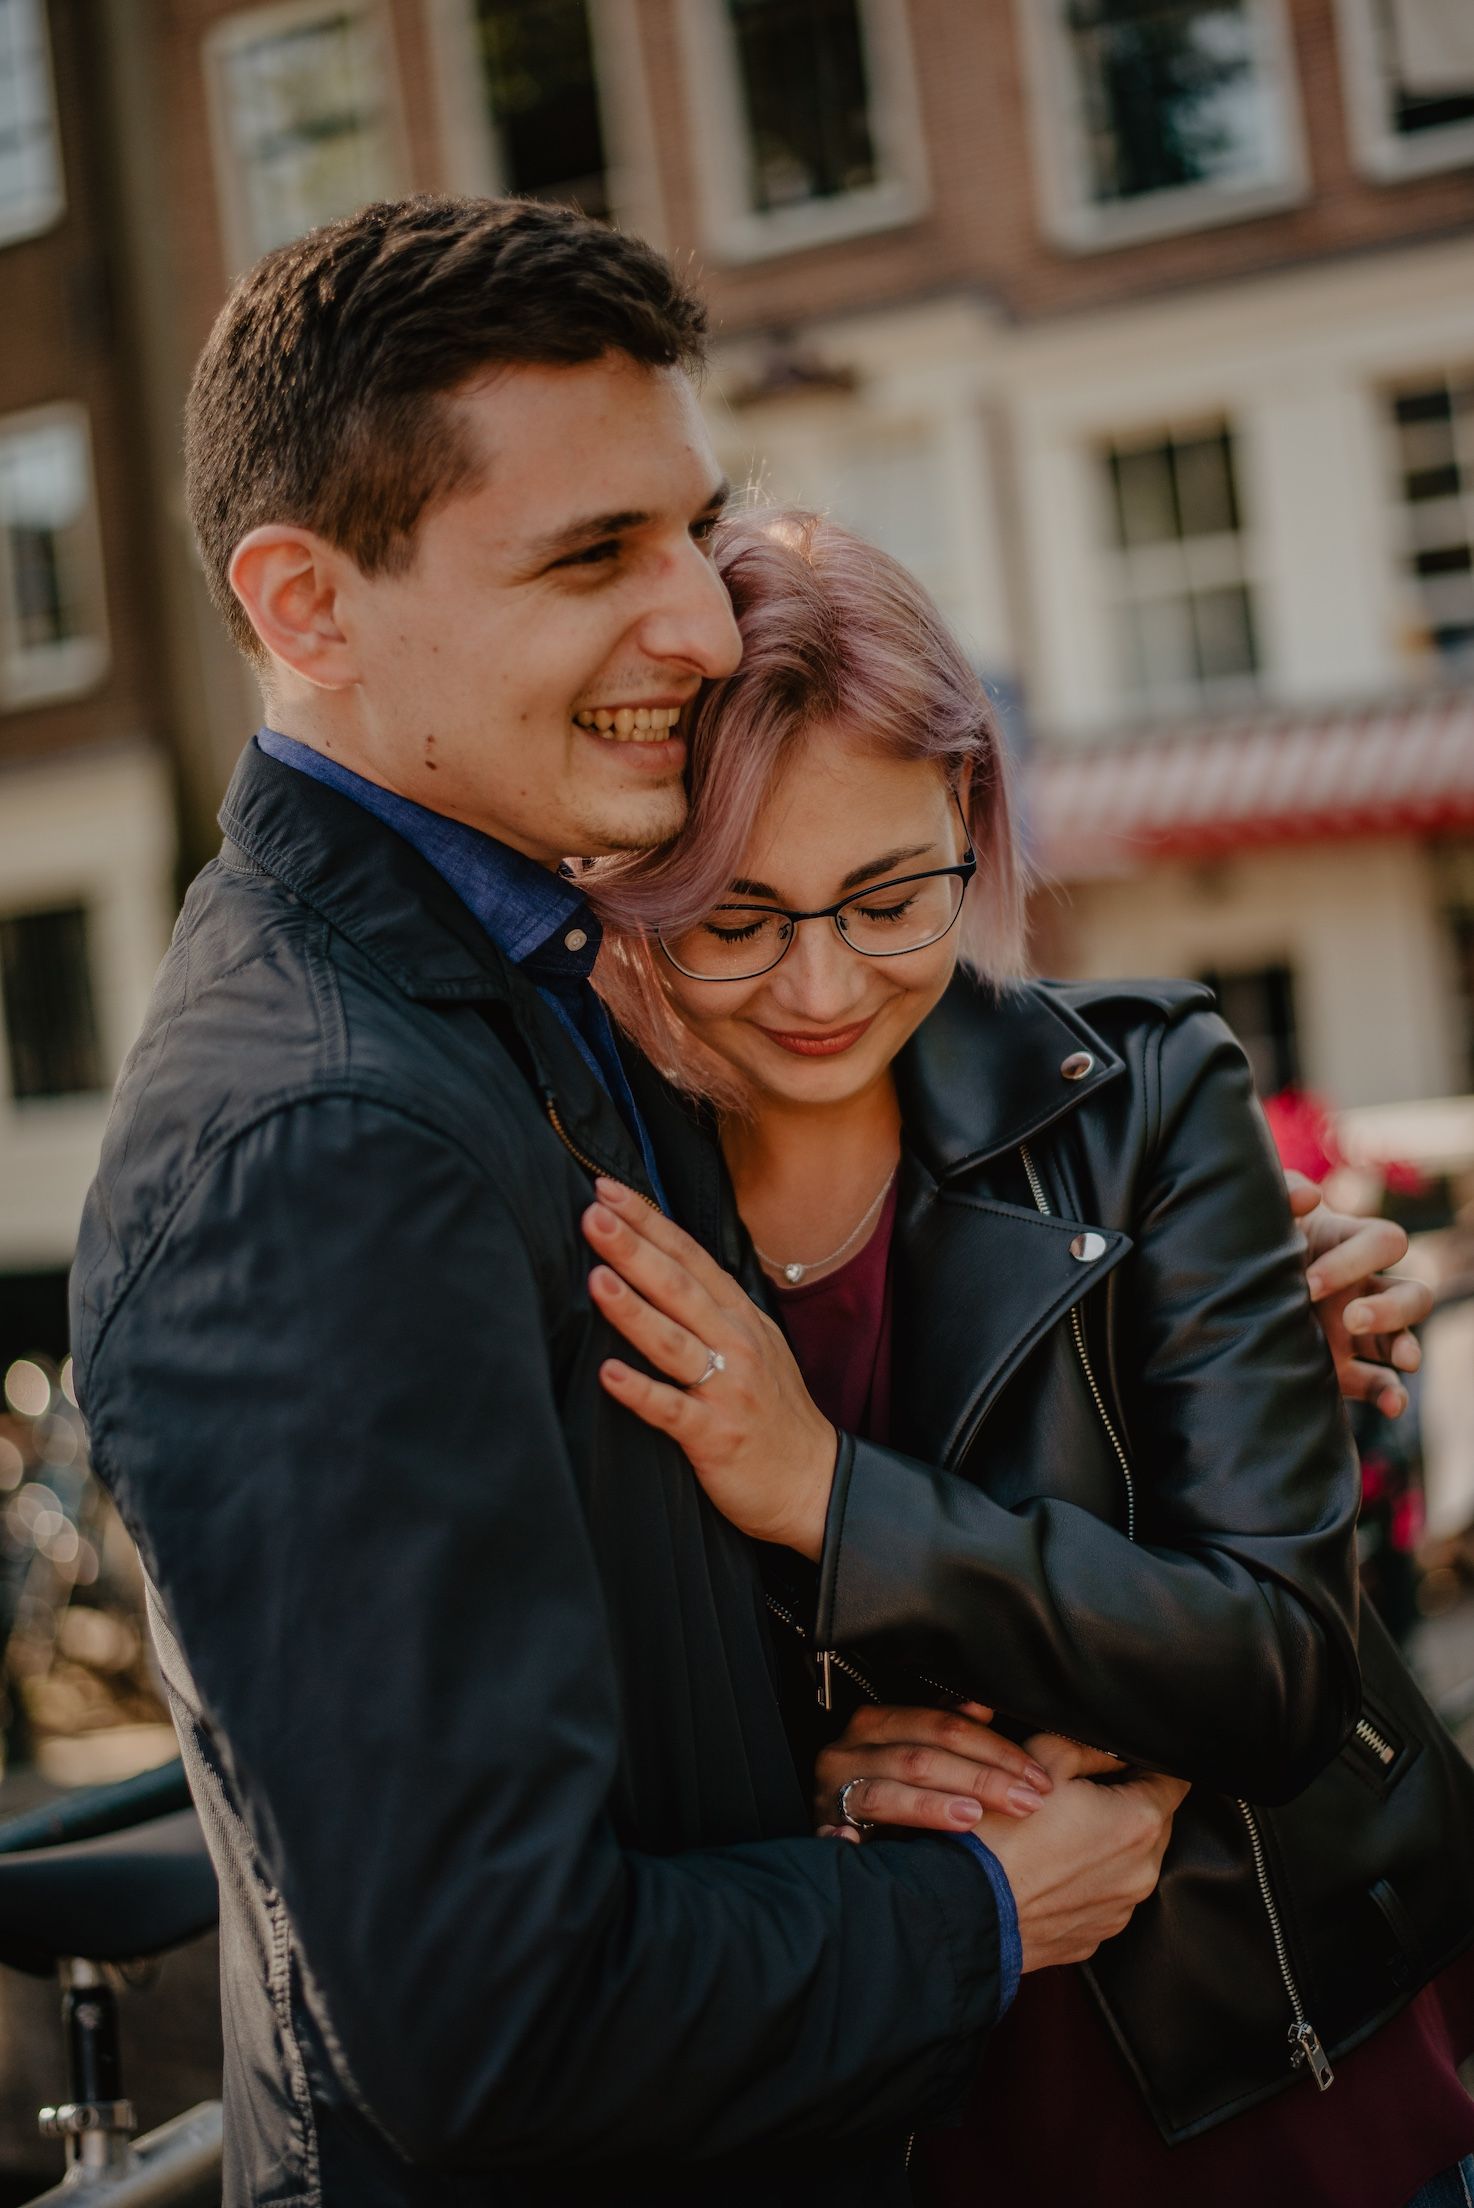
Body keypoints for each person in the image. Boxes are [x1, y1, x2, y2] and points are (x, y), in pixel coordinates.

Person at [67, 197, 1191, 2208]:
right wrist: (989, 1916)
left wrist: (1179, 1322)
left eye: (692, 525)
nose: (698, 619)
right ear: (305, 606)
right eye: (594, 556)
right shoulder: (324, 1146)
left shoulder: (534, 980)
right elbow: (493, 2018)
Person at [578, 506, 1474, 2207]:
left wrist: (828, 1499)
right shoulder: (579, 1197)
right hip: (879, 2109)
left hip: (1273, 2076)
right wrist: (811, 1785)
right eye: (735, 918)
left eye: (889, 895)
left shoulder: (1139, 1100)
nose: (822, 986)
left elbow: (1278, 1663)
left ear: (969, 821)